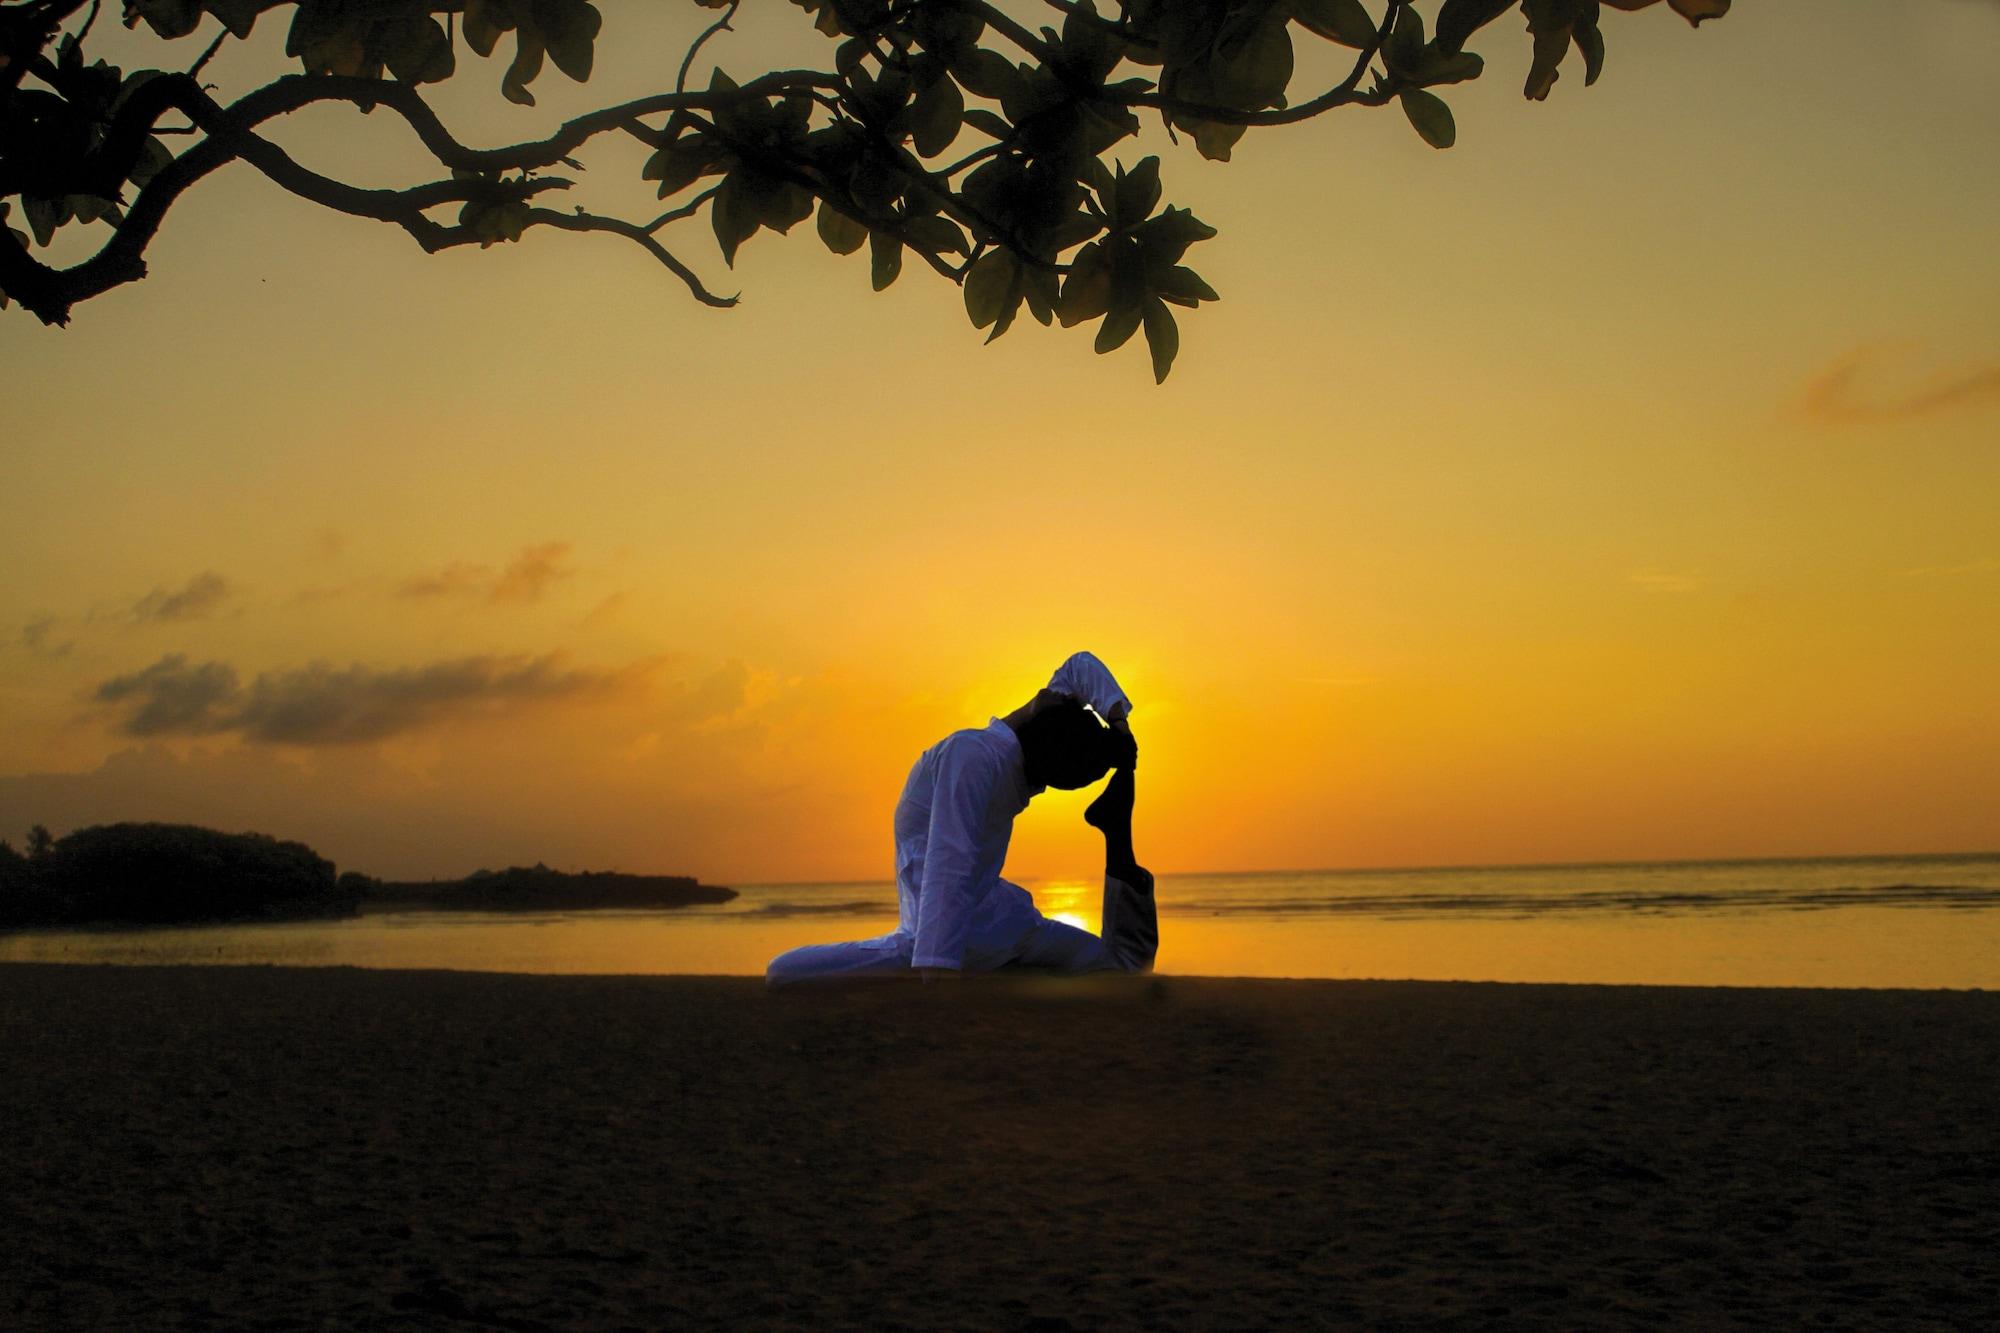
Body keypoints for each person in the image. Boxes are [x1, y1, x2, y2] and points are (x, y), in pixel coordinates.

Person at [765, 651, 1158, 987]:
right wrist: (1118, 723)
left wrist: (937, 965)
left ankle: (1114, 831)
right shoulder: (980, 755)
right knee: (1120, 966)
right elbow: (949, 856)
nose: (1051, 690)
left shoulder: (979, 752)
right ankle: (1116, 833)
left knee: (1120, 967)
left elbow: (949, 857)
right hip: (979, 932)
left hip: (981, 929)